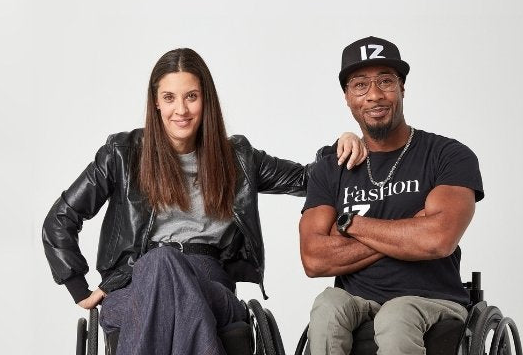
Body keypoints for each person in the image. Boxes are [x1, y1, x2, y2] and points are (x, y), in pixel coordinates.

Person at [42, 48, 367, 355]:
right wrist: (78, 288)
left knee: (162, 263)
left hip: (210, 280)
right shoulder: (122, 155)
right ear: (156, 101)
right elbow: (60, 218)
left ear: (205, 100)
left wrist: (343, 143)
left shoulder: (237, 158)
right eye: (169, 98)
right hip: (133, 284)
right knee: (159, 262)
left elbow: (306, 179)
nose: (180, 110)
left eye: (191, 97)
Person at [299, 37, 485, 355]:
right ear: (347, 97)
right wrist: (407, 232)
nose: (374, 95)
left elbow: (437, 240)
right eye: (360, 85)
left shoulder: (448, 155)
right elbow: (314, 259)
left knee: (396, 316)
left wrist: (349, 224)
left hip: (433, 299)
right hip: (356, 298)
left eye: (385, 81)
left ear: (402, 88)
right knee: (326, 306)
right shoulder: (331, 167)